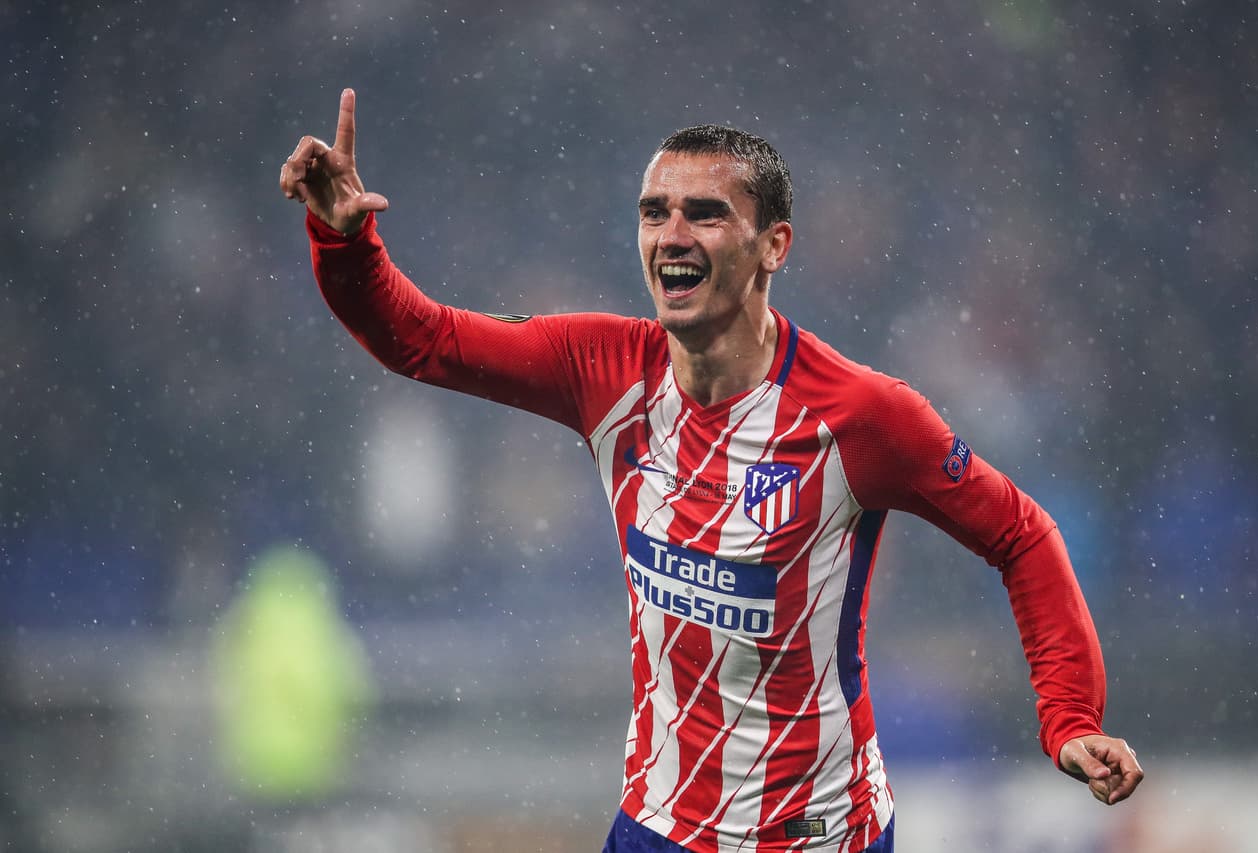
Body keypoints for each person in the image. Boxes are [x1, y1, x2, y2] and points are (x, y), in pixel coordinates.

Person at [279, 89, 1143, 853]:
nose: (672, 236)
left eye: (704, 213)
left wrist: (1068, 718)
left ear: (774, 246)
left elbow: (1021, 534)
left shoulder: (862, 417)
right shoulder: (603, 368)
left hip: (817, 836)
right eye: (654, 212)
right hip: (656, 826)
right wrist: (345, 240)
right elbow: (421, 339)